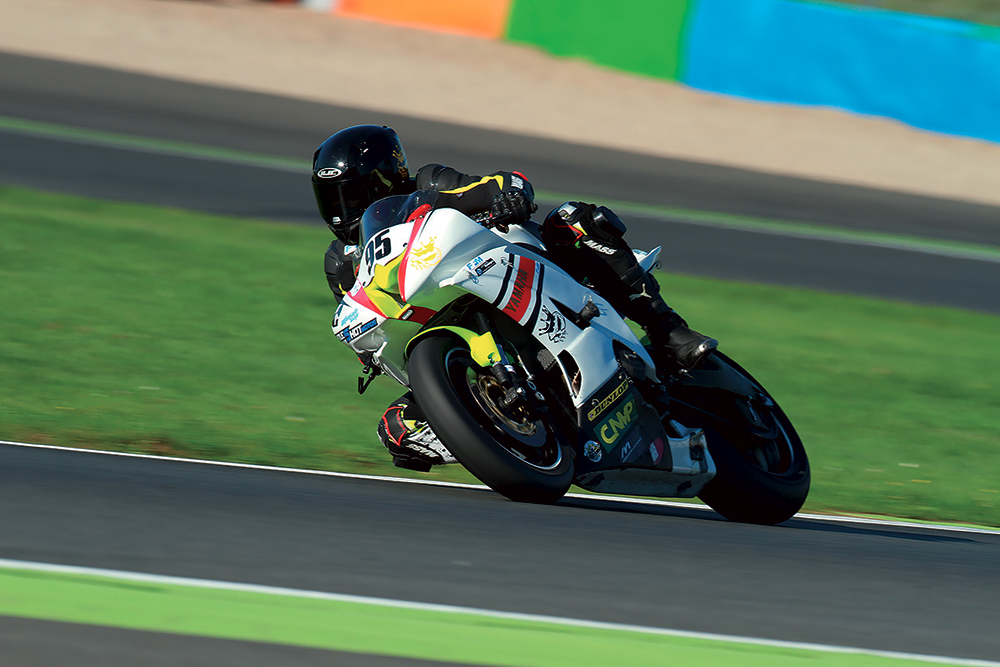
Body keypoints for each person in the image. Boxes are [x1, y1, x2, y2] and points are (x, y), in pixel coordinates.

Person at [313, 124, 717, 471]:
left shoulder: (430, 184)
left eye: (350, 193)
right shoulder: (340, 263)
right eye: (331, 197)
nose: (341, 209)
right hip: (442, 325)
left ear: (383, 178)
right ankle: (508, 433)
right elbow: (359, 314)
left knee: (574, 219)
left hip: (516, 267)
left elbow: (502, 182)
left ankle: (668, 331)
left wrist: (508, 195)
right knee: (397, 426)